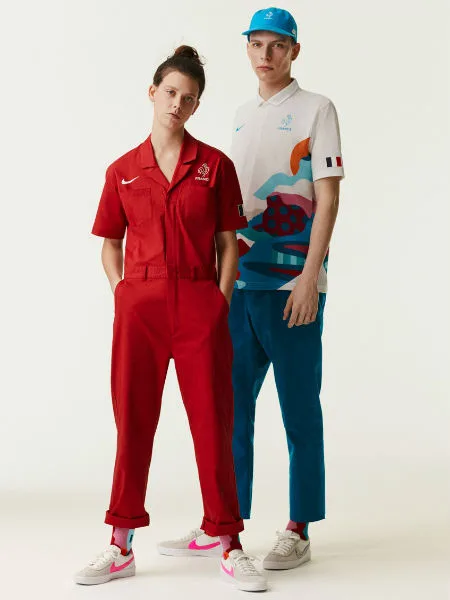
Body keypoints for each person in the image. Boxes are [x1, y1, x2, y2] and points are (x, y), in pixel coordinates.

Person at [74, 45, 267, 592]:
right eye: (171, 92)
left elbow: (228, 245)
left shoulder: (215, 166)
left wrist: (218, 302)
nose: (178, 103)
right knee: (133, 422)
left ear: (197, 106)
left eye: (189, 97)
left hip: (199, 303)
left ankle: (228, 543)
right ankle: (120, 544)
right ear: (153, 93)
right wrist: (123, 293)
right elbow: (109, 244)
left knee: (214, 423)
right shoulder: (122, 171)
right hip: (140, 308)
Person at [158, 8, 344, 571]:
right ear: (247, 49)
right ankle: (224, 522)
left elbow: (328, 197)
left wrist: (309, 276)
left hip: (292, 289)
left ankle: (299, 527)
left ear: (294, 51)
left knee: (299, 411)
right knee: (230, 410)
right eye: (256, 44)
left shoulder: (317, 108)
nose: (266, 55)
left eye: (277, 45)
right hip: (240, 285)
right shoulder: (241, 115)